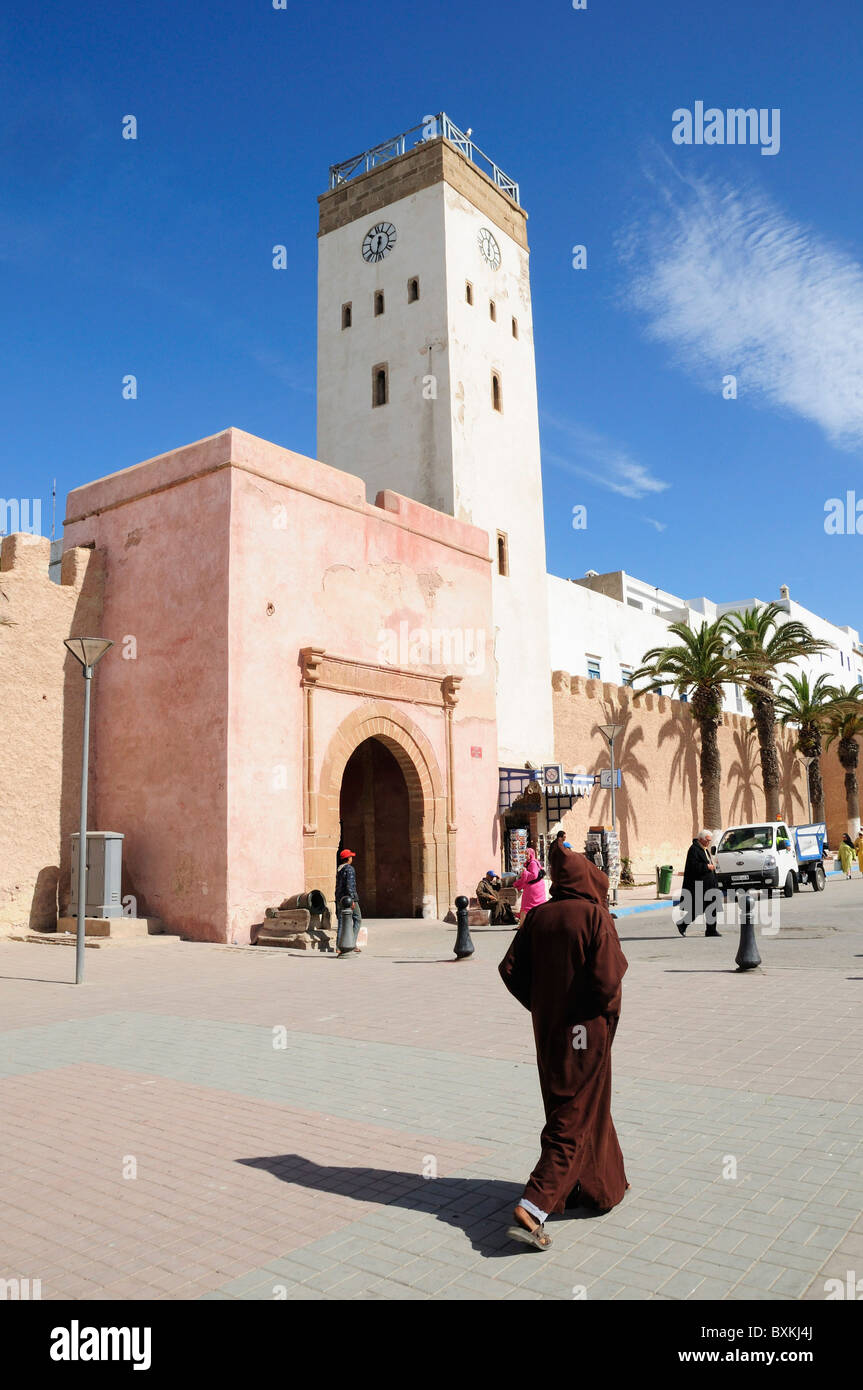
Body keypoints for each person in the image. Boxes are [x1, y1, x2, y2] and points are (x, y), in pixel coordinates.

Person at [498, 845, 629, 1250]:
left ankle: (596, 1186)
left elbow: (510, 970)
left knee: (574, 1105)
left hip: (551, 1030)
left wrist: (542, 1006)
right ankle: (533, 1205)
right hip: (586, 1033)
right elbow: (608, 981)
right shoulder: (593, 916)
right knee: (573, 1114)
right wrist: (597, 1017)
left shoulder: (538, 916)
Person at [678, 829, 721, 937]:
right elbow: (692, 867)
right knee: (698, 908)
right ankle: (682, 924)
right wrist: (706, 866)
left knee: (712, 906)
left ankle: (711, 930)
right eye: (707, 840)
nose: (708, 842)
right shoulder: (694, 850)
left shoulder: (704, 849)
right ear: (701, 839)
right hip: (700, 885)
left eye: (709, 840)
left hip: (710, 884)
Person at [335, 849, 362, 956]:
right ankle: (352, 943)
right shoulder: (349, 869)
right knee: (357, 919)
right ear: (348, 859)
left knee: (341, 921)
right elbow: (350, 885)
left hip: (340, 898)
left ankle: (338, 946)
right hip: (349, 899)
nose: (352, 858)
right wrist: (352, 900)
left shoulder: (340, 869)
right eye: (351, 857)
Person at [513, 848, 548, 925]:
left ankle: (522, 925)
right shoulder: (533, 862)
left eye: (527, 854)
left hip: (533, 888)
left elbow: (534, 875)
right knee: (536, 906)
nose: (525, 856)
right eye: (525, 854)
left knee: (525, 906)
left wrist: (525, 872)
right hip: (537, 887)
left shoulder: (532, 863)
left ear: (531, 854)